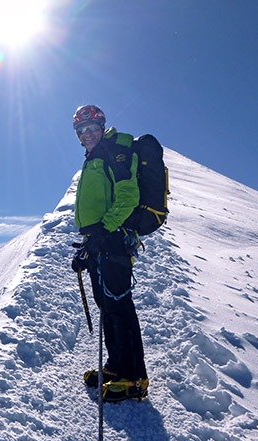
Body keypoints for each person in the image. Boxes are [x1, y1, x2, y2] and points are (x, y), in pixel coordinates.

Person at [70, 104, 149, 402]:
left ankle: (135, 378)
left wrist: (103, 233)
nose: (87, 133)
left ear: (102, 127)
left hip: (113, 239)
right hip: (100, 240)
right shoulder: (94, 157)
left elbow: (129, 196)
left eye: (92, 127)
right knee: (108, 305)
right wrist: (89, 243)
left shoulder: (116, 152)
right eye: (82, 129)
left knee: (120, 306)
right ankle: (116, 367)